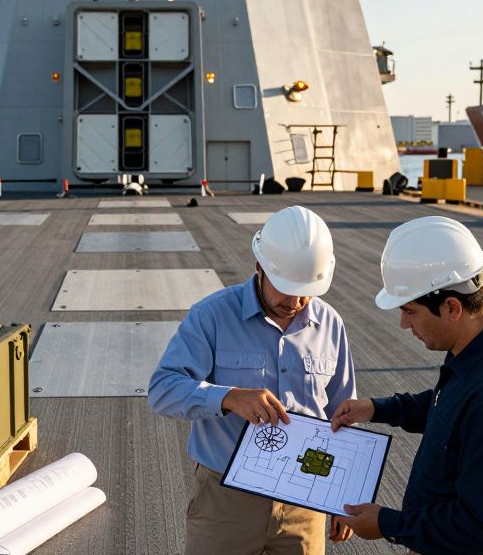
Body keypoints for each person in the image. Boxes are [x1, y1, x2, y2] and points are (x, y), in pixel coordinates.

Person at [330, 216, 483, 555]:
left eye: (410, 311)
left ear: (452, 307)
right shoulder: (480, 353)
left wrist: (388, 523)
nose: (404, 324)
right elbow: (449, 408)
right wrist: (377, 408)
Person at [149, 205, 357, 555]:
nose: (295, 301)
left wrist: (345, 495)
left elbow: (342, 414)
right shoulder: (212, 316)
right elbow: (162, 390)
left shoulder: (331, 325)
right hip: (225, 504)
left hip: (304, 504)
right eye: (286, 287)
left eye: (306, 290)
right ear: (259, 265)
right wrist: (228, 397)